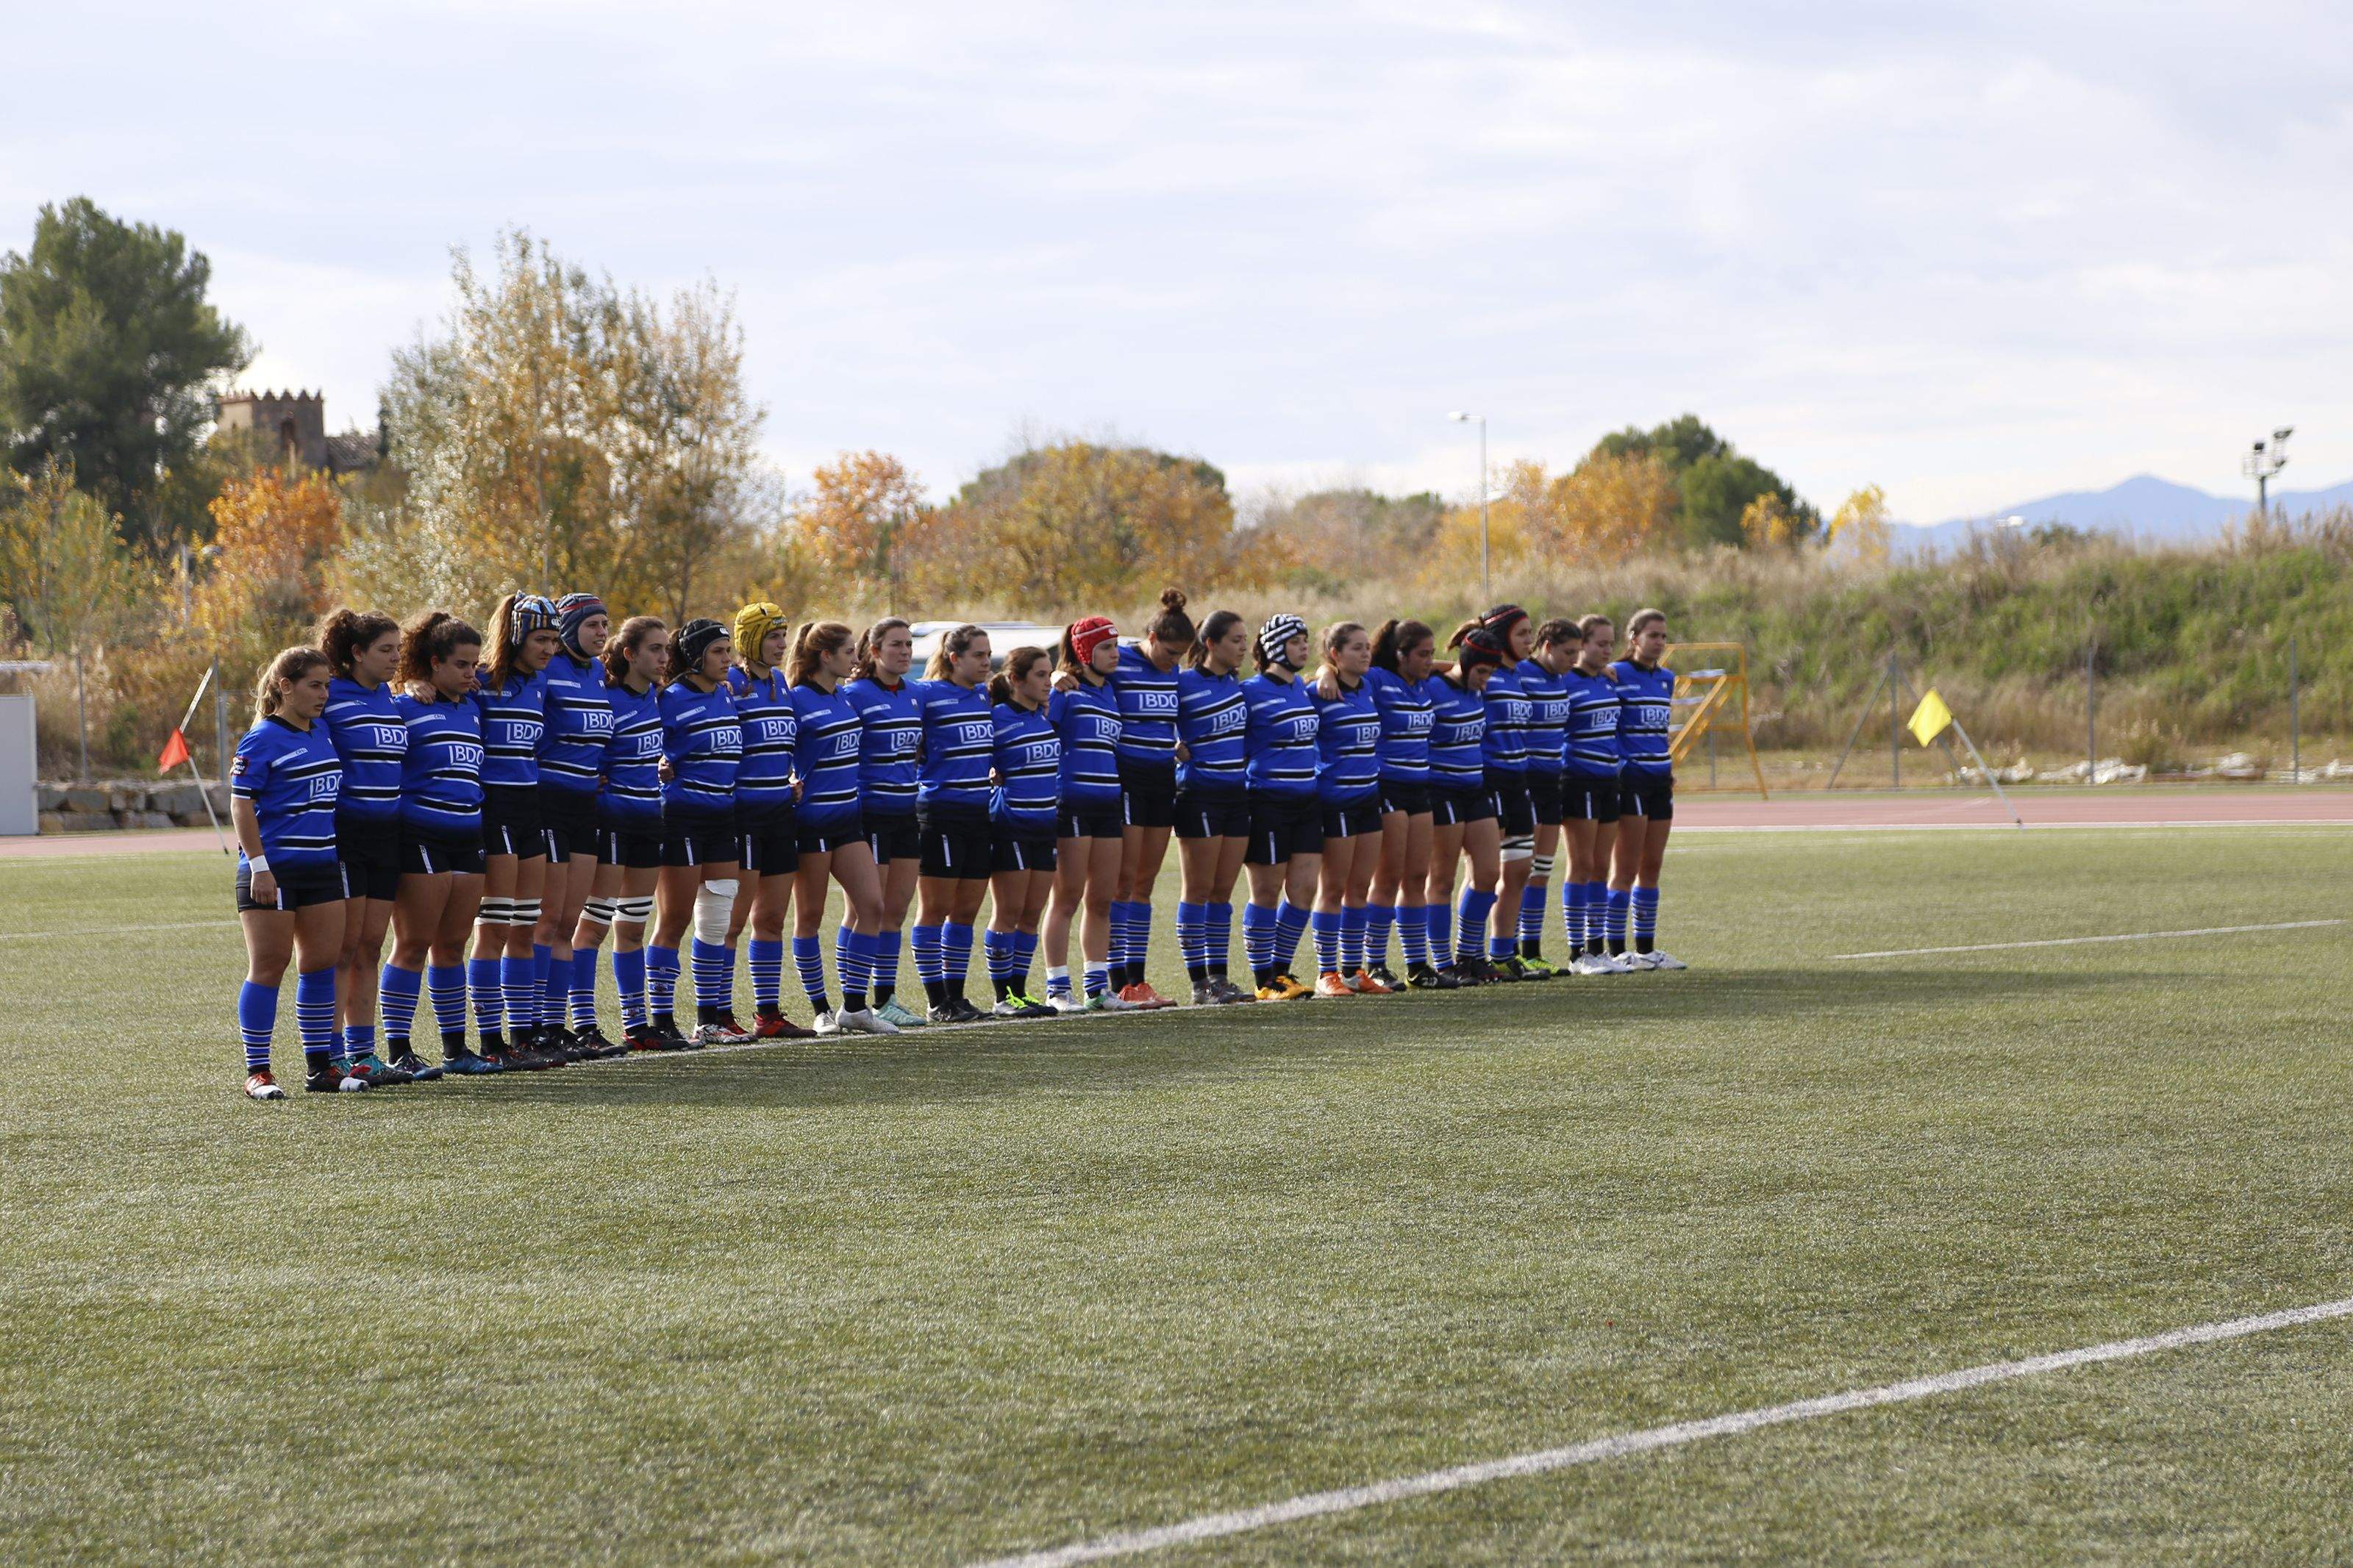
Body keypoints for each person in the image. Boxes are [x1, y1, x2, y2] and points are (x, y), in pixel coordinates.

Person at [234, 647, 360, 1098]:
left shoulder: (322, 730)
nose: (324, 694)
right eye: (315, 685)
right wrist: (259, 867)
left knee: (321, 966)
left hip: (322, 866)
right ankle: (258, 1071)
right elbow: (241, 802)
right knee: (270, 965)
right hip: (274, 870)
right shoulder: (262, 738)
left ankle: (320, 1068)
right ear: (285, 686)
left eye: (327, 685)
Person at [380, 612, 497, 1075]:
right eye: (463, 665)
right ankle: (398, 1049)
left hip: (469, 834)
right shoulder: (405, 706)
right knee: (413, 942)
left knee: (453, 944)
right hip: (422, 835)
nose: (473, 674)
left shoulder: (472, 707)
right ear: (434, 663)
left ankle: (455, 1048)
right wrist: (406, 685)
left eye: (475, 664)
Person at [316, 607, 424, 1085]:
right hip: (346, 835)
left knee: (370, 946)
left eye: (399, 650)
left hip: (388, 834)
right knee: (342, 948)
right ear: (356, 652)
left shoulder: (390, 697)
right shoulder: (330, 696)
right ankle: (331, 1054)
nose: (395, 659)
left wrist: (417, 688)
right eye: (385, 650)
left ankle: (364, 1054)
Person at [786, 621, 898, 1034]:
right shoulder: (797, 699)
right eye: (850, 651)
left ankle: (854, 1006)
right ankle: (820, 1008)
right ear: (825, 656)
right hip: (811, 821)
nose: (857, 658)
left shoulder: (845, 698)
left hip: (849, 820)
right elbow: (776, 749)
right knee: (810, 917)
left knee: (873, 907)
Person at [468, 593, 563, 1069]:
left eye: (554, 639)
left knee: (527, 927)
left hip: (531, 807)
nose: (549, 648)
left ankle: (522, 1035)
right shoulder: (481, 680)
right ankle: (490, 1040)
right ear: (516, 636)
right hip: (494, 809)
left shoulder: (540, 683)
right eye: (541, 639)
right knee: (495, 928)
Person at [576, 616, 679, 1049]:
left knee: (633, 926)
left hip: (647, 820)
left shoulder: (659, 698)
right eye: (653, 650)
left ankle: (636, 1026)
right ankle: (583, 1025)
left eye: (665, 650)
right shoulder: (606, 698)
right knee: (594, 925)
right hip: (611, 820)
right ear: (629, 654)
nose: (662, 658)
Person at [647, 617, 747, 1046]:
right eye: (719, 653)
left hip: (723, 816)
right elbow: (647, 749)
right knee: (674, 920)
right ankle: (661, 1017)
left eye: (729, 651)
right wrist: (658, 770)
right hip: (681, 818)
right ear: (694, 657)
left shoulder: (725, 696)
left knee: (717, 921)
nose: (728, 660)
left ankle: (710, 1017)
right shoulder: (667, 700)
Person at [532, 592, 621, 1058]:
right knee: (545, 921)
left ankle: (555, 1021)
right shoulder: (546, 671)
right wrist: (419, 685)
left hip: (585, 805)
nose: (602, 632)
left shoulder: (597, 676)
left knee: (569, 920)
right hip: (546, 803)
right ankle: (531, 1027)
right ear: (569, 628)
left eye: (606, 624)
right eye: (593, 625)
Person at [725, 601, 815, 1040]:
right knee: (732, 920)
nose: (782, 644)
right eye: (772, 636)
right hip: (743, 816)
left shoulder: (780, 682)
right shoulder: (729, 683)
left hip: (781, 813)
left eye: (783, 635)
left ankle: (767, 1013)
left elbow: (786, 746)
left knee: (772, 919)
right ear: (749, 640)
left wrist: (792, 778)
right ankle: (716, 1013)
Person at [1039, 616, 1133, 1012]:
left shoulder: (1111, 691)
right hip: (1072, 805)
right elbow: (1039, 732)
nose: (1115, 655)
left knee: (1102, 899)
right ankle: (1058, 988)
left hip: (1108, 805)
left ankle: (1097, 987)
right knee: (1067, 898)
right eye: (1106, 649)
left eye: (1115, 647)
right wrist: (1055, 679)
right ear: (1083, 652)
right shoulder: (1066, 691)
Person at [1105, 589, 1191, 1009]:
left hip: (1162, 779)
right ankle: (1115, 977)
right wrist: (1056, 679)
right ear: (1153, 636)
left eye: (1182, 655)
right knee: (1122, 882)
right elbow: (1074, 674)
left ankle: (1137, 980)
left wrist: (1178, 744)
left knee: (1144, 883)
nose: (1175, 661)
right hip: (1126, 780)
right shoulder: (1120, 659)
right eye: (1171, 652)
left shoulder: (1174, 673)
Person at [907, 623, 998, 1023]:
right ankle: (935, 1000)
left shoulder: (984, 694)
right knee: (935, 909)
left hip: (980, 812)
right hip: (940, 812)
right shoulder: (926, 694)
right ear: (954, 658)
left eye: (988, 654)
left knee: (966, 911)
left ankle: (956, 998)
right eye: (978, 655)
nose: (986, 662)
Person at [843, 617, 927, 1028]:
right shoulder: (855, 694)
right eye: (896, 645)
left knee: (895, 910)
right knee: (863, 910)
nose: (905, 652)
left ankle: (886, 997)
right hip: (868, 814)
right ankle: (848, 998)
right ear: (873, 651)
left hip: (905, 814)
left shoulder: (916, 695)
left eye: (909, 645)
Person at [1172, 609, 1253, 1004]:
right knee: (1198, 889)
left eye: (1245, 640)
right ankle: (1198, 983)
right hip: (1198, 796)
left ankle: (1219, 979)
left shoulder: (1237, 684)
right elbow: (1145, 713)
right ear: (1210, 644)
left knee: (1223, 891)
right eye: (1236, 640)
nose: (1244, 647)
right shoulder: (1182, 682)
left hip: (1237, 795)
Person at [1240, 614, 1321, 1000]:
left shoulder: (1302, 686)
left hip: (1307, 801)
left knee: (1304, 890)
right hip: (1267, 801)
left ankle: (1282, 971)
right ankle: (1263, 980)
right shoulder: (1249, 691)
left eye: (1306, 640)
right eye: (1295, 641)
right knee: (1267, 892)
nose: (1304, 647)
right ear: (1274, 647)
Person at [1308, 621, 1389, 995]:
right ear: (1335, 654)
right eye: (1356, 648)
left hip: (1368, 800)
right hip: (1335, 801)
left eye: (1367, 646)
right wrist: (1324, 672)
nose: (1366, 653)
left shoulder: (1370, 684)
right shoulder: (1319, 692)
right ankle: (1327, 974)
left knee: (1361, 886)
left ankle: (1354, 971)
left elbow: (1437, 666)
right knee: (1334, 887)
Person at [1423, 626, 1507, 987]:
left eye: (1491, 674)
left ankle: (1470, 954)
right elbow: (1423, 670)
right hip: (1441, 792)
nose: (1487, 681)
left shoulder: (1477, 692)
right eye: (1482, 672)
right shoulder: (1435, 688)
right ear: (1466, 663)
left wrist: (1476, 676)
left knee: (1489, 874)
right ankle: (1443, 962)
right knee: (1441, 878)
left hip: (1475, 789)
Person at [1458, 605, 1538, 981]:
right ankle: (1467, 955)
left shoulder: (1521, 675)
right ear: (1502, 634)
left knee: (1520, 870)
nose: (1529, 641)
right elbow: (1447, 669)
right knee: (1483, 872)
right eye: (1522, 634)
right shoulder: (1484, 675)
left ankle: (1502, 952)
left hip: (1519, 781)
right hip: (1488, 779)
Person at [1608, 608, 1688, 970]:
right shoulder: (1616, 674)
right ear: (1634, 638)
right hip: (1631, 781)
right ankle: (1613, 949)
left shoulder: (1667, 679)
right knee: (1624, 867)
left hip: (1659, 780)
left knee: (1651, 866)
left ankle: (1645, 948)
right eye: (1652, 635)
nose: (1659, 642)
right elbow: (1608, 727)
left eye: (1663, 636)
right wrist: (1623, 767)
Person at [984, 646, 1062, 1016]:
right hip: (1011, 825)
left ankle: (1019, 991)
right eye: (1040, 675)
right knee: (1009, 910)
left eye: (1050, 675)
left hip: (1046, 826)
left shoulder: (1043, 717)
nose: (1048, 682)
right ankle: (1004, 998)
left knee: (1032, 912)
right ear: (1016, 679)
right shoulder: (997, 717)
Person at [1363, 619, 1438, 990]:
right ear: (1400, 654)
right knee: (1388, 877)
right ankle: (1375, 962)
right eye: (1422, 654)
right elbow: (1344, 672)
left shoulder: (1423, 684)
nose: (1429, 660)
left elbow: (1450, 669)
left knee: (1417, 878)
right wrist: (1326, 673)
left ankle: (1417, 964)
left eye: (1432, 654)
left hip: (1420, 788)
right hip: (1387, 786)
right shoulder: (1379, 679)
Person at [1560, 614, 1633, 975]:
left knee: (1602, 866)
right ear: (1582, 645)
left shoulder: (1608, 683)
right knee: (1582, 865)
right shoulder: (1565, 683)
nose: (1607, 650)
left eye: (1610, 643)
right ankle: (1576, 954)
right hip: (1579, 781)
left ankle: (1597, 947)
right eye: (1599, 643)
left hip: (1608, 782)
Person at [1513, 617, 1577, 978]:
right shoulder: (1521, 672)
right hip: (1526, 780)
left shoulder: (1563, 679)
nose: (1574, 659)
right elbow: (1455, 668)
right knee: (1519, 870)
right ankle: (1505, 950)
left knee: (1542, 871)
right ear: (1547, 646)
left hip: (1554, 780)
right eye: (1568, 652)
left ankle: (1532, 951)